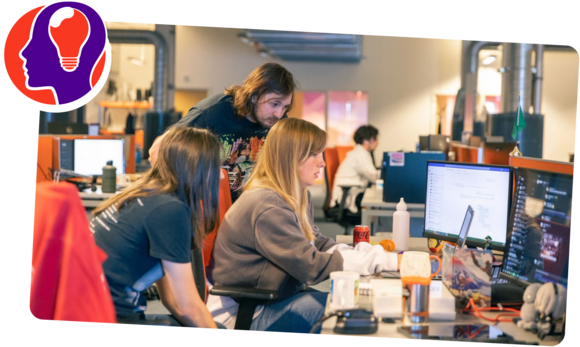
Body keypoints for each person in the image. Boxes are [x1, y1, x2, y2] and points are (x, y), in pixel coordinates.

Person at [207, 118, 401, 335]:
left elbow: (316, 242)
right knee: (349, 315)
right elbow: (312, 266)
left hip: (274, 296)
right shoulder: (267, 205)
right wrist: (387, 261)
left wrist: (368, 254)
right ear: (290, 158)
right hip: (247, 312)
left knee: (351, 305)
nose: (323, 163)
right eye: (314, 154)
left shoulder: (297, 195)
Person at [91, 126, 225, 330]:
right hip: (113, 316)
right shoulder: (170, 210)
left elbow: (171, 299)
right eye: (216, 168)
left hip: (91, 309)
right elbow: (189, 307)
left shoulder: (147, 195)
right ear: (196, 169)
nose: (221, 177)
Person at [148, 62, 297, 201]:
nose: (279, 113)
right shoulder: (211, 112)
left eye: (284, 107)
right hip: (210, 208)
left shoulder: (277, 121)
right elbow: (158, 149)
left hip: (251, 209)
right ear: (254, 96)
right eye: (274, 104)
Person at [330, 125, 381, 214]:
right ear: (366, 141)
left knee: (376, 199)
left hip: (351, 192)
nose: (377, 142)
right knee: (379, 202)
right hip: (347, 197)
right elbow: (373, 176)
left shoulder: (360, 152)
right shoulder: (360, 154)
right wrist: (389, 172)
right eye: (375, 139)